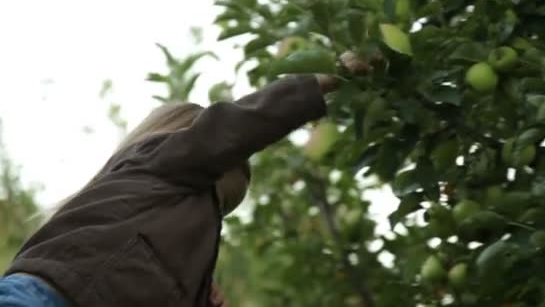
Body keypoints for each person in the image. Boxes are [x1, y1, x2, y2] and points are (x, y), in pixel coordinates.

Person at [0, 72, 341, 307]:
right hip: (49, 297)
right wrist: (313, 88)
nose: (215, 213)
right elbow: (232, 128)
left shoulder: (179, 242)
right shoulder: (164, 161)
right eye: (221, 199)